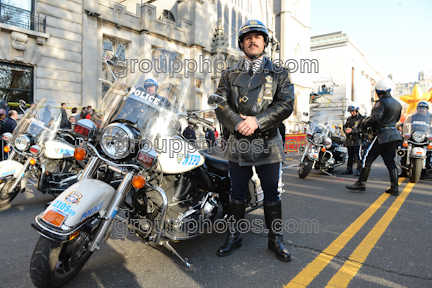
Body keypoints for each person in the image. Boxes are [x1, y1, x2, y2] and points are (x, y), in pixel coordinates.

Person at [214, 20, 294, 261]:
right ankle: (234, 236)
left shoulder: (279, 72)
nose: (253, 40)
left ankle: (275, 239)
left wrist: (257, 121)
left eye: (258, 36)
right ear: (241, 43)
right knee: (236, 193)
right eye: (247, 37)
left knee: (272, 193)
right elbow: (218, 102)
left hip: (268, 141)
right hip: (238, 141)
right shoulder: (229, 73)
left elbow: (286, 104)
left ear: (265, 42)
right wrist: (238, 122)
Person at [346, 79, 402, 195]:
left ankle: (361, 183)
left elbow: (375, 118)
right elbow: (396, 119)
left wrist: (364, 123)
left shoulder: (380, 102)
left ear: (377, 91)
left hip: (382, 135)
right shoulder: (398, 103)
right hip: (394, 135)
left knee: (367, 158)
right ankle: (395, 187)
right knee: (390, 161)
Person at [398, 101, 432, 177]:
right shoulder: (412, 116)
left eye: (423, 108)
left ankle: (429, 166)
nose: (421, 110)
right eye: (420, 108)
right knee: (404, 148)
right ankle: (403, 170)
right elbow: (406, 124)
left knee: (430, 151)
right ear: (417, 109)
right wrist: (401, 126)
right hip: (414, 136)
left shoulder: (431, 117)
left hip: (425, 137)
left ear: (427, 109)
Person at [342, 106, 364, 176]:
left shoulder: (361, 119)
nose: (352, 113)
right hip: (349, 140)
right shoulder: (349, 119)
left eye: (353, 111)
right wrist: (345, 129)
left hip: (358, 140)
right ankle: (349, 169)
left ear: (357, 111)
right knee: (350, 156)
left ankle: (359, 170)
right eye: (350, 111)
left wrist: (352, 131)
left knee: (358, 156)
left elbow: (362, 129)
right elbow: (345, 126)